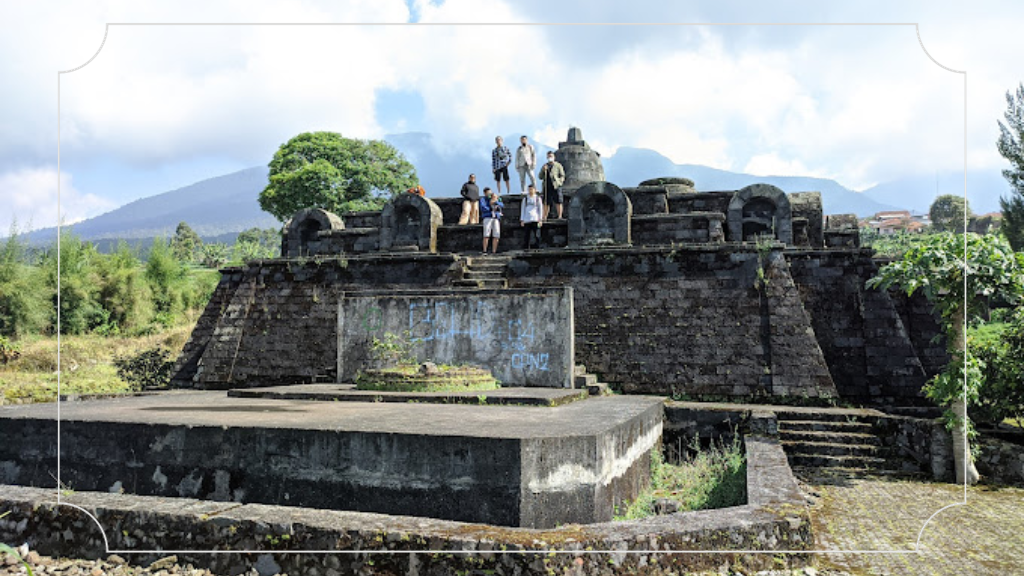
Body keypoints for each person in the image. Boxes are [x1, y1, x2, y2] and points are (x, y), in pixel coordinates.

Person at [538, 150, 565, 220]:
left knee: (558, 201)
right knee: (546, 202)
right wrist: (543, 170)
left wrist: (559, 182)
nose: (550, 157)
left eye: (551, 156)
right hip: (547, 186)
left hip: (556, 185)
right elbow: (540, 177)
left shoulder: (558, 165)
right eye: (549, 156)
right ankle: (544, 216)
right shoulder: (545, 166)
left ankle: (560, 216)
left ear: (554, 157)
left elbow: (562, 175)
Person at [479, 187, 503, 254]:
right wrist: (491, 208)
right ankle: (485, 250)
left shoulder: (495, 198)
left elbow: (502, 205)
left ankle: (494, 251)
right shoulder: (483, 199)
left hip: (496, 217)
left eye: (490, 192)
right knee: (486, 234)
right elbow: (483, 208)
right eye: (488, 193)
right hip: (488, 217)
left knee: (496, 235)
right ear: (485, 193)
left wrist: (496, 202)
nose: (490, 194)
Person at [520, 184, 543, 250]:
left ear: (535, 190)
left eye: (532, 189)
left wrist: (540, 219)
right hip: (527, 219)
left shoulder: (538, 198)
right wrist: (522, 220)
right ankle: (526, 247)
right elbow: (523, 209)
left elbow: (540, 209)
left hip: (535, 219)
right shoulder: (525, 199)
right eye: (529, 189)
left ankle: (538, 247)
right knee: (526, 235)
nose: (530, 191)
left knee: (537, 235)